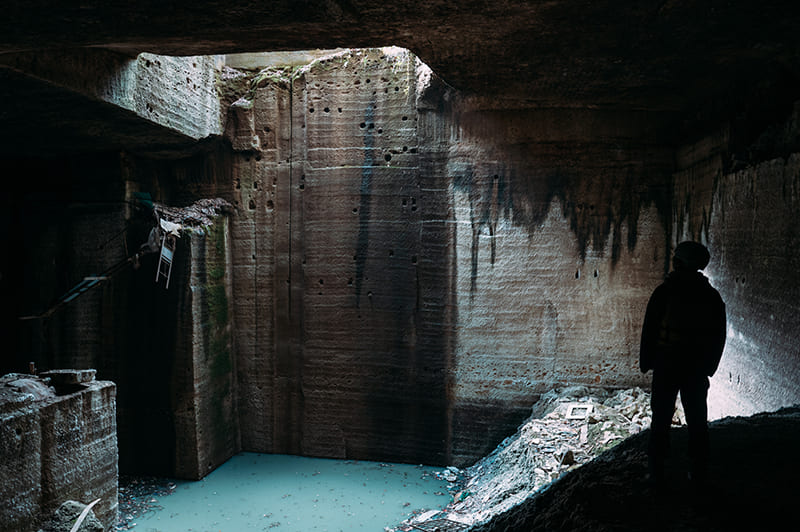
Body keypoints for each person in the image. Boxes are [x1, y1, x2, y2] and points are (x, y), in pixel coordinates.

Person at [639, 241, 726, 487]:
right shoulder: (711, 296)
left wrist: (647, 362)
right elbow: (719, 334)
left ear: (678, 263)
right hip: (696, 368)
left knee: (661, 417)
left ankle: (656, 472)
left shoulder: (664, 292)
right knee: (697, 418)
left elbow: (650, 329)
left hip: (668, 363)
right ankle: (698, 471)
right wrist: (709, 367)